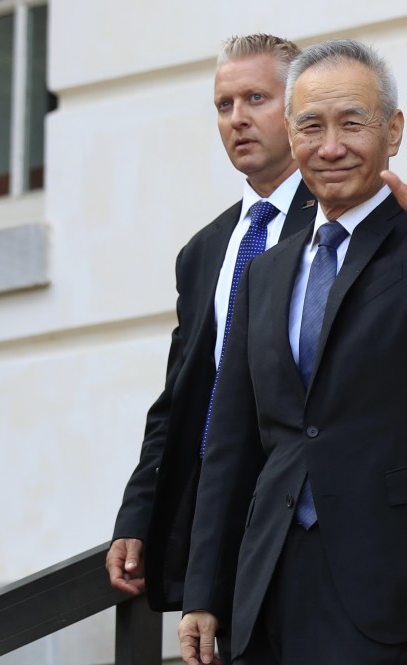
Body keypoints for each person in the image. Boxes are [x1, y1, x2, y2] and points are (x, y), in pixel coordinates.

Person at [177, 39, 407, 665]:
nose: (330, 146)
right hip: (270, 576)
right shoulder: (265, 272)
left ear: (392, 131)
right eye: (310, 125)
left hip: (384, 573)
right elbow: (230, 442)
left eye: (351, 123)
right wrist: (204, 589)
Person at [107, 33, 315, 620]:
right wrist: (139, 515)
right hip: (224, 521)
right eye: (224, 105)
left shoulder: (338, 217)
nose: (238, 119)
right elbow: (180, 398)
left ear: (299, 107)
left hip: (313, 511)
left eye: (256, 98)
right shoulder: (205, 251)